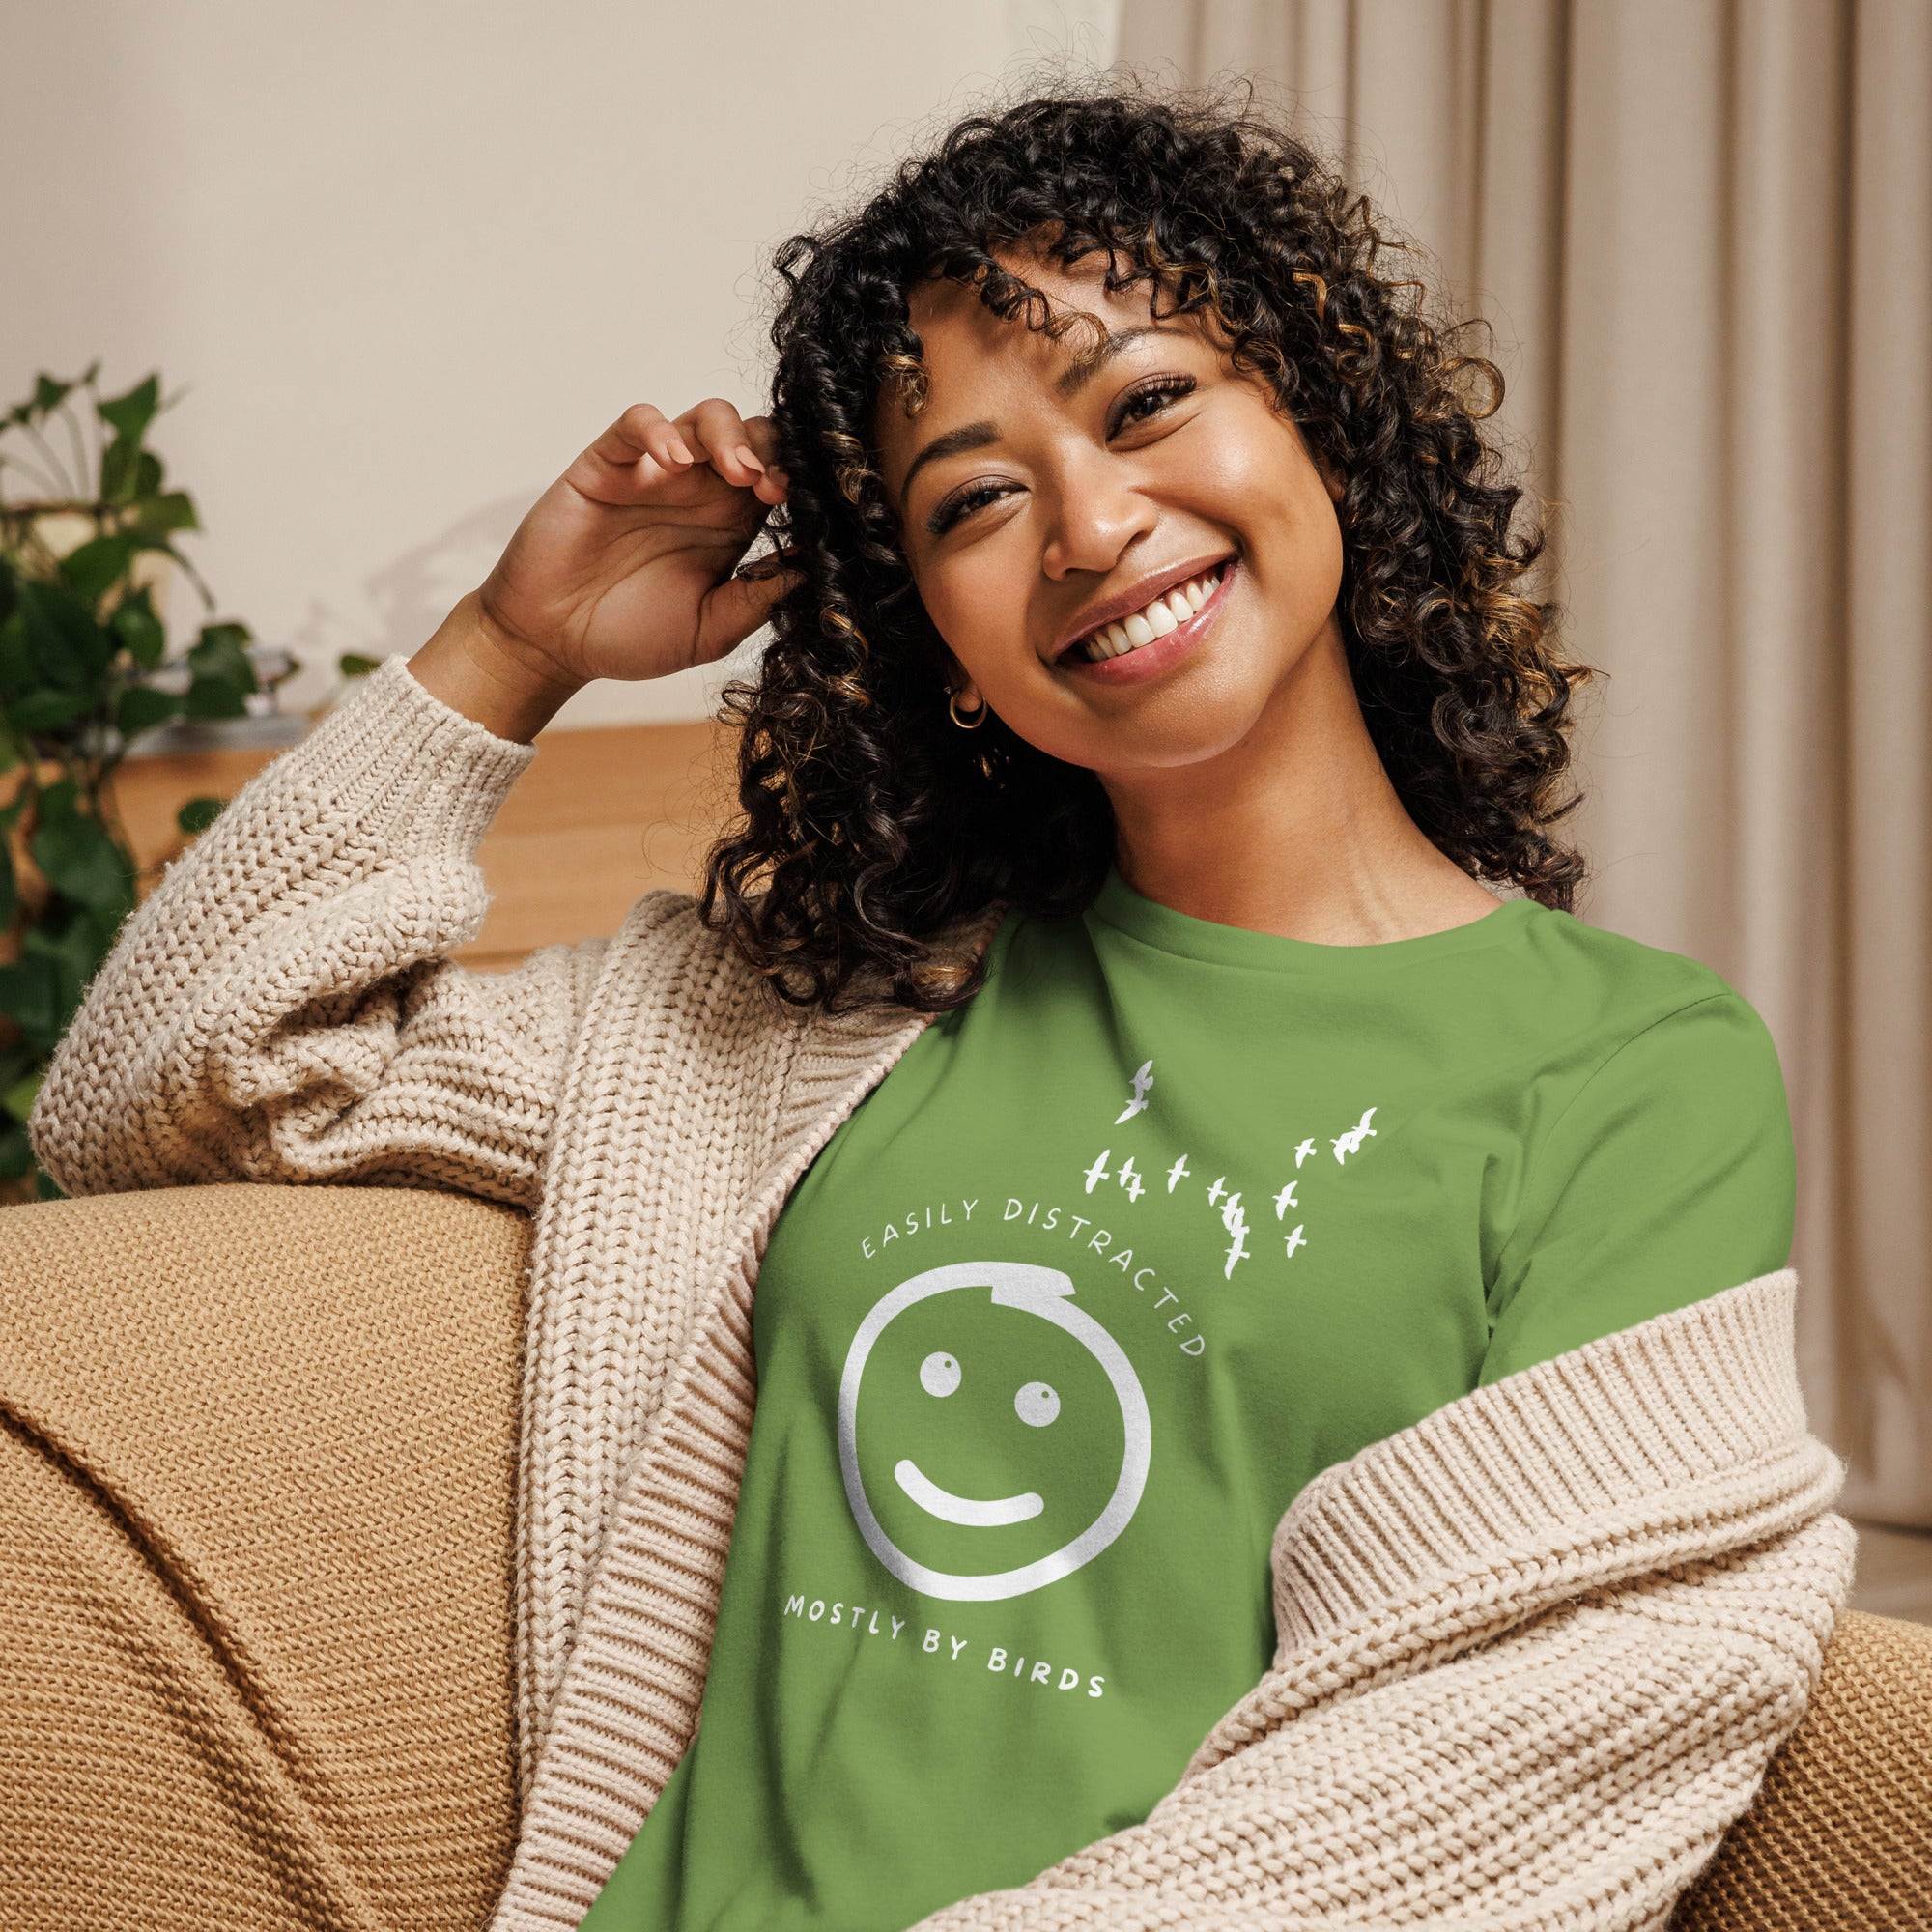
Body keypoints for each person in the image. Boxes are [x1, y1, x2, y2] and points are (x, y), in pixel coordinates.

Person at [27, 88, 1849, 1932]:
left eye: (1146, 403)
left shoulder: (1626, 1068)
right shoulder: (808, 1019)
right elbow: (174, 1091)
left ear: (1322, 423)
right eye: (974, 496)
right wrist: (511, 648)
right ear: (938, 639)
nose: (1087, 522)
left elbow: (1522, 1740)